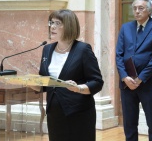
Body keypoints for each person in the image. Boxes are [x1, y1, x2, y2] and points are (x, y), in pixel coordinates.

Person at [32, 9, 104, 141]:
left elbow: (97, 82)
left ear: (69, 25)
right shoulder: (47, 49)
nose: (52, 27)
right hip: (54, 112)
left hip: (78, 112)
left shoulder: (83, 49)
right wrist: (32, 84)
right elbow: (45, 82)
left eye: (58, 23)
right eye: (51, 23)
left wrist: (79, 88)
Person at [116, 0, 152, 141]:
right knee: (129, 123)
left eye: (141, 8)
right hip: (127, 84)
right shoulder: (126, 28)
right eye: (135, 8)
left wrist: (140, 79)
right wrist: (124, 77)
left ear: (149, 10)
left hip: (149, 83)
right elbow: (119, 55)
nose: (137, 11)